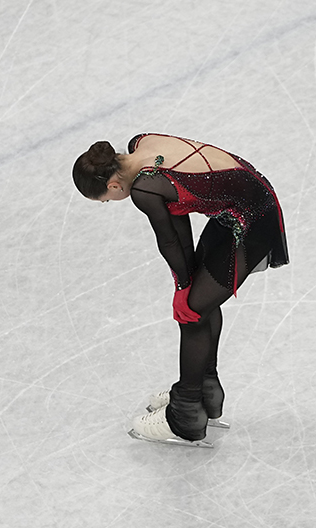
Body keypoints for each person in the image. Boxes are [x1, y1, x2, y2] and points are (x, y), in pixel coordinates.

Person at [72, 133, 288, 445]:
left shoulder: (144, 188)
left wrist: (183, 289)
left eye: (105, 201)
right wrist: (185, 282)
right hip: (238, 207)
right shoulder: (140, 143)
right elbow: (179, 217)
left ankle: (185, 415)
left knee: (191, 313)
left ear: (114, 186)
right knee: (198, 303)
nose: (110, 203)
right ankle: (204, 392)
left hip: (252, 219)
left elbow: (170, 240)